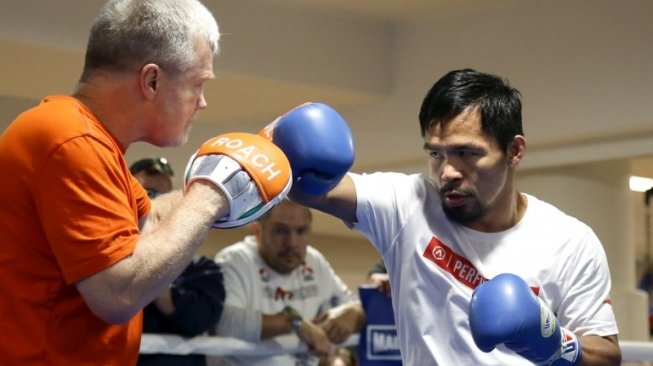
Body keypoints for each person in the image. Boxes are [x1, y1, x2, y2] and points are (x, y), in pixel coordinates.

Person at [259, 70, 622, 365]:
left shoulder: (570, 241)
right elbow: (309, 189)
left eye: (466, 153)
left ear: (514, 151)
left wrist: (552, 342)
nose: (447, 171)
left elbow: (605, 357)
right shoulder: (408, 203)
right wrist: (274, 141)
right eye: (436, 153)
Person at [0, 1, 290, 364]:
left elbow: (148, 218)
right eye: (197, 84)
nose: (201, 102)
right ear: (151, 80)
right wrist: (213, 192)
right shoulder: (70, 140)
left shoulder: (87, 140)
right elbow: (117, 294)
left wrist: (242, 169)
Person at [212, 199, 366, 366]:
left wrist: (355, 311)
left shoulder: (313, 261)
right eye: (280, 231)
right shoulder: (235, 261)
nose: (292, 243)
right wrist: (293, 323)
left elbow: (352, 306)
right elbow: (222, 322)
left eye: (301, 231)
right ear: (257, 230)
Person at [130, 157, 225, 366]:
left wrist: (149, 268)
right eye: (147, 194)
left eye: (165, 196)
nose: (156, 205)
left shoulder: (203, 270)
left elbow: (200, 320)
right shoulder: (101, 263)